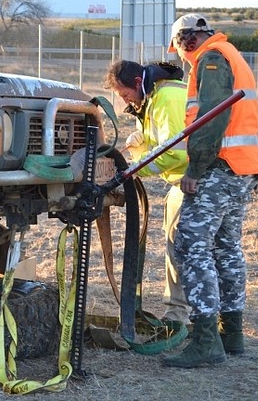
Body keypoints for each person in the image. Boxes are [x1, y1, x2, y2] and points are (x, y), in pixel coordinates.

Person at [162, 13, 258, 368]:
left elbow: (212, 117)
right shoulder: (229, 52)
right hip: (242, 168)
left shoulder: (212, 59)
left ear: (185, 40)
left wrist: (195, 169)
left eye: (176, 46)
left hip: (220, 167)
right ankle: (230, 334)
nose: (178, 55)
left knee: (192, 242)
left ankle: (206, 340)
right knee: (226, 247)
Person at [104, 60, 191, 326]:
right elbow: (160, 146)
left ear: (138, 83)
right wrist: (140, 151)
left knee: (181, 250)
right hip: (183, 182)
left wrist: (134, 169)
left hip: (191, 183)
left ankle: (179, 316)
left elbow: (175, 150)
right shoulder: (153, 100)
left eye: (124, 94)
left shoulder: (166, 98)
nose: (124, 100)